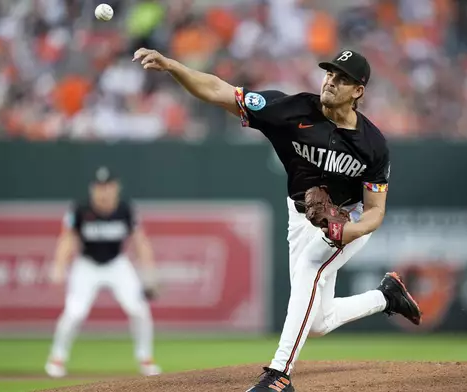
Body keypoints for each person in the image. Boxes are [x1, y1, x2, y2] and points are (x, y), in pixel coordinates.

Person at [132, 47, 422, 391]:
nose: (331, 81)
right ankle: (386, 296)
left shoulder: (373, 145)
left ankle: (279, 374)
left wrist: (347, 230)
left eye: (342, 78)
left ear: (358, 91)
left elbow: (375, 211)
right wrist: (172, 66)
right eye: (329, 73)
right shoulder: (291, 110)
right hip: (300, 214)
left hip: (350, 217)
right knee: (317, 321)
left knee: (310, 269)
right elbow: (218, 90)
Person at [44, 167, 161, 378]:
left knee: (139, 310)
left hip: (117, 264)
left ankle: (146, 359)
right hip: (86, 265)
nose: (104, 192)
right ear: (92, 190)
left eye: (108, 187)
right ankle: (57, 358)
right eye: (99, 187)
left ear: (116, 188)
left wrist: (149, 272)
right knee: (74, 312)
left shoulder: (126, 209)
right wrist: (59, 266)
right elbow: (67, 239)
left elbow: (140, 241)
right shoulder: (80, 209)